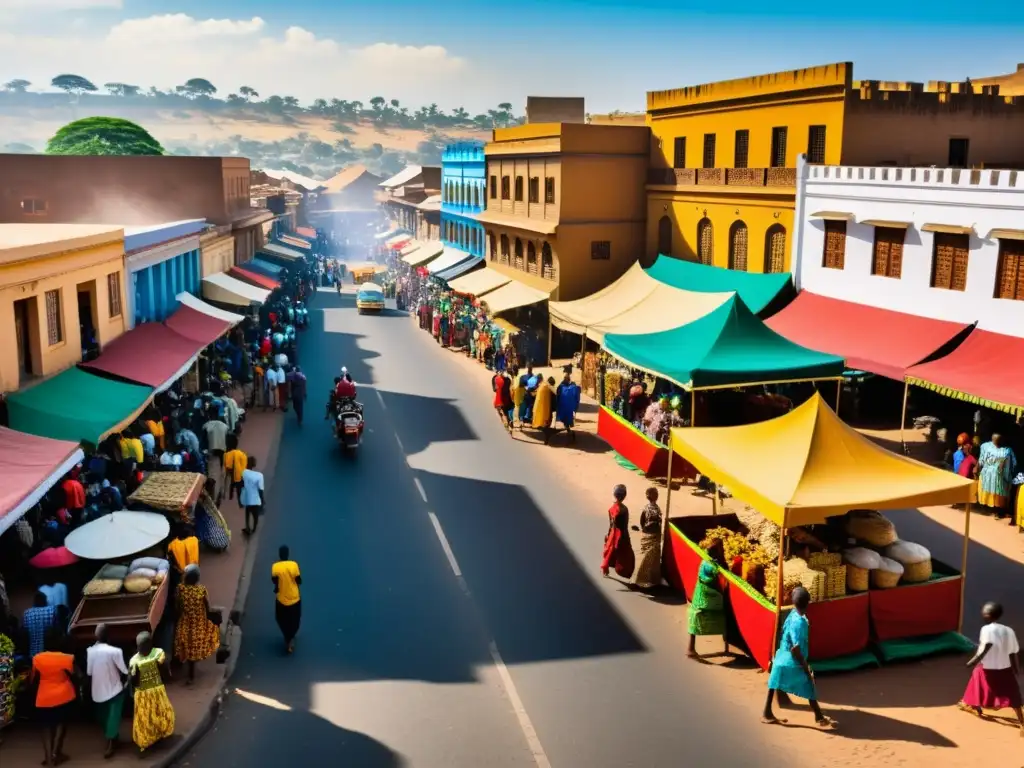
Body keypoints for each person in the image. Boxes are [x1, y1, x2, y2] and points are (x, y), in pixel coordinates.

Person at [762, 587, 836, 728]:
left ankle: (767, 713)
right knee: (808, 684)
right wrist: (805, 666)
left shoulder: (792, 614)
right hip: (791, 659)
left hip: (781, 656)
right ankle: (819, 716)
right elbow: (795, 648)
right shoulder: (800, 622)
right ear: (807, 604)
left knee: (774, 683)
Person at [958, 601, 1024, 730]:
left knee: (976, 679)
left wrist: (972, 662)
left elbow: (986, 648)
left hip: (988, 668)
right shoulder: (1008, 630)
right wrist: (1016, 669)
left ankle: (973, 705)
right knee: (1013, 694)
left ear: (987, 615)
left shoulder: (986, 629)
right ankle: (1022, 722)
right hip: (1005, 667)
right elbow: (1013, 652)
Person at [32, 630, 78, 766]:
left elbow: (33, 680)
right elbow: (77, 675)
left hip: (44, 698)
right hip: (64, 696)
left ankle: (49, 759)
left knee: (46, 729)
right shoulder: (67, 658)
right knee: (60, 725)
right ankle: (56, 753)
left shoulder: (37, 658)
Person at [129, 631, 174, 754]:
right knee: (147, 718)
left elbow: (164, 668)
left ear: (149, 645)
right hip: (146, 693)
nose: (140, 649)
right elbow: (133, 680)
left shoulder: (155, 654)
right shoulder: (138, 660)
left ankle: (157, 737)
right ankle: (151, 739)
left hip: (154, 690)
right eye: (138, 646)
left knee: (157, 714)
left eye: (142, 646)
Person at [87, 623, 128, 758]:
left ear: (96, 636)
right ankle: (111, 742)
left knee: (105, 717)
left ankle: (112, 740)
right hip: (114, 690)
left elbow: (89, 672)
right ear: (108, 636)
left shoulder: (90, 651)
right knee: (113, 716)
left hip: (97, 691)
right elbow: (124, 670)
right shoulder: (116, 651)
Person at [174, 564, 220, 684]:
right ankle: (191, 674)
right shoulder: (202, 590)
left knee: (182, 641)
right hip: (199, 623)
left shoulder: (181, 589)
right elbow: (208, 607)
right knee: (209, 635)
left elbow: (177, 606)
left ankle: (181, 663)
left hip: (185, 621)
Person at [687, 561, 727, 658]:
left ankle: (690, 648)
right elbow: (722, 573)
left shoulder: (704, 562)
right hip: (708, 598)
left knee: (694, 624)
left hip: (699, 597)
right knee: (723, 619)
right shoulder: (711, 566)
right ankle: (726, 646)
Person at [272, 546, 302, 654]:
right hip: (294, 598)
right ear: (288, 554)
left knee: (280, 618)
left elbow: (274, 581)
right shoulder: (293, 565)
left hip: (281, 599)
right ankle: (290, 637)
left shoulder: (275, 567)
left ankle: (287, 636)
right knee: (295, 620)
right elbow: (299, 580)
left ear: (279, 555)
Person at [631, 487, 663, 590]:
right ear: (656, 497)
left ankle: (640, 579)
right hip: (655, 535)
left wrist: (643, 530)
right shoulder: (658, 509)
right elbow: (659, 523)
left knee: (645, 556)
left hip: (647, 534)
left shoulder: (646, 508)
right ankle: (651, 580)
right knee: (653, 559)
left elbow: (642, 521)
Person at [979, 433, 1017, 515]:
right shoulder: (986, 447)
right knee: (992, 490)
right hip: (990, 473)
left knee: (997, 490)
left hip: (998, 474)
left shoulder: (1006, 450)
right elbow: (981, 460)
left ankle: (995, 508)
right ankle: (989, 508)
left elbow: (1012, 463)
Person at [601, 485, 635, 578]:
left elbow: (611, 524)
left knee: (610, 550)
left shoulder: (612, 508)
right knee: (625, 554)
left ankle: (606, 568)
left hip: (612, 533)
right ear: (624, 496)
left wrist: (608, 534)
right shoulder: (624, 509)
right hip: (621, 534)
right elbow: (624, 525)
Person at [23, 591, 57, 657]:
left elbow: (25, 633)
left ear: (35, 601)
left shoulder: (27, 613)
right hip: (49, 652)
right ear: (45, 600)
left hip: (33, 653)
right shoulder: (51, 610)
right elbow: (56, 629)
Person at [555, 369, 581, 444]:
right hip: (570, 408)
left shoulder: (562, 387)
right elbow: (577, 397)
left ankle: (570, 434)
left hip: (564, 408)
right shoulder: (572, 387)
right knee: (568, 421)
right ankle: (570, 433)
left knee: (566, 421)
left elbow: (558, 395)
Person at [240, 456, 265, 535]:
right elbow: (261, 489)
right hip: (255, 499)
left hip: (247, 498)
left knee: (247, 512)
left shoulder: (243, 473)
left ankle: (247, 527)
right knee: (255, 515)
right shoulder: (259, 475)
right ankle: (253, 529)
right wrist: (262, 500)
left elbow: (241, 484)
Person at [222, 434, 247, 506]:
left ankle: (230, 496)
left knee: (232, 486)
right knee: (240, 489)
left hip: (233, 475)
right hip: (241, 476)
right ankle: (241, 502)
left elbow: (227, 471)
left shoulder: (226, 455)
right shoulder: (242, 454)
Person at [492, 368, 514, 434]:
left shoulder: (496, 379)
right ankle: (509, 421)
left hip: (500, 399)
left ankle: (506, 423)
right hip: (508, 399)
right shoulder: (508, 380)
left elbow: (494, 389)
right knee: (507, 412)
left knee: (501, 412)